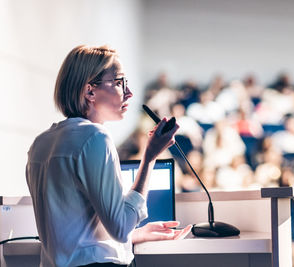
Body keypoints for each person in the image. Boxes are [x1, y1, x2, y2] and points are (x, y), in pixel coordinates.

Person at [25, 45, 191, 267]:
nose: (129, 92)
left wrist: (137, 234)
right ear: (90, 91)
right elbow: (121, 227)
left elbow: (75, 233)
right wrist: (150, 157)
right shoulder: (95, 138)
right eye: (120, 82)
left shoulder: (40, 143)